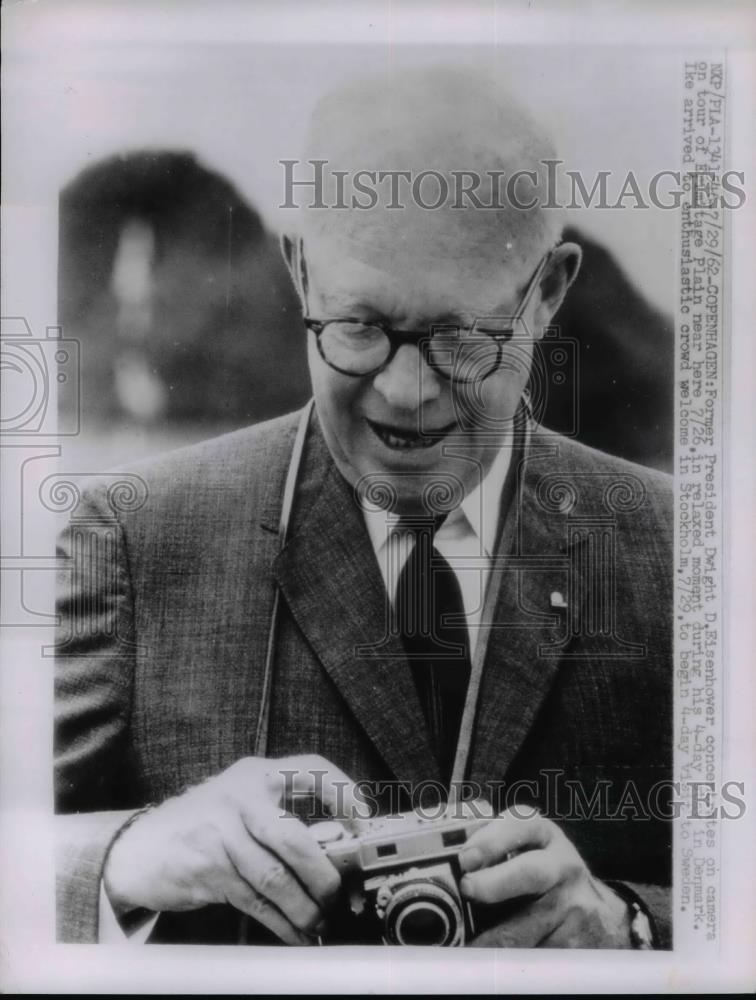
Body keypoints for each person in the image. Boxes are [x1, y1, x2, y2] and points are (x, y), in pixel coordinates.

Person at [55, 67, 672, 948]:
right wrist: (129, 854)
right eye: (360, 328)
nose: (407, 391)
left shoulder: (688, 555)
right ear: (300, 272)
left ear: (548, 294)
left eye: (464, 339)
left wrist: (630, 925)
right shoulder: (133, 539)